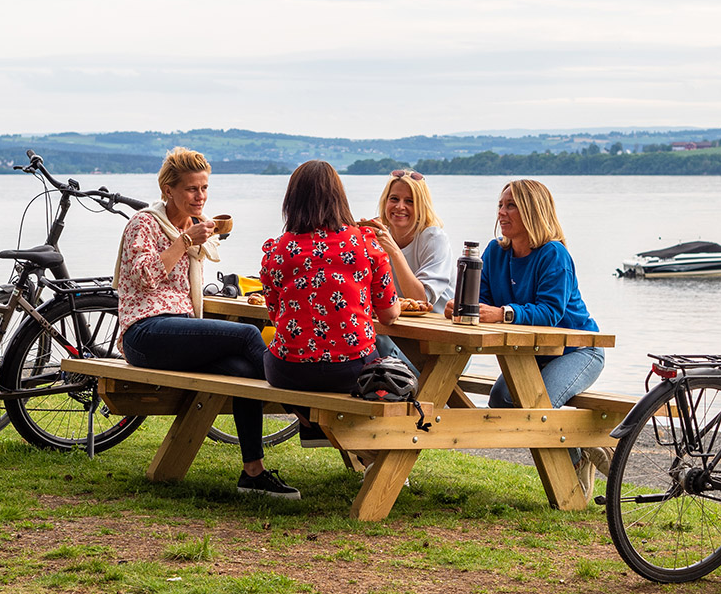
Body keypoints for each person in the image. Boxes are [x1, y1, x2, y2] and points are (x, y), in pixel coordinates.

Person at [116, 147, 299, 499]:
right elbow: (144, 276)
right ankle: (302, 406)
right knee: (247, 334)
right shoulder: (145, 223)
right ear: (168, 190)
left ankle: (253, 473)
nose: (199, 196)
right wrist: (185, 241)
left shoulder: (189, 227)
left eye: (204, 189)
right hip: (145, 333)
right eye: (191, 189)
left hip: (178, 330)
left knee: (243, 371)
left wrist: (192, 236)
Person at [444, 178, 609, 499]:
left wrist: (503, 313)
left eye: (511, 206)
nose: (502, 213)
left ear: (532, 210)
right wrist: (462, 308)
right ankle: (583, 447)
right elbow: (484, 305)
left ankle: (575, 462)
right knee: (501, 399)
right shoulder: (494, 252)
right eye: (501, 205)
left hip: (579, 350)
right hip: (532, 354)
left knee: (537, 405)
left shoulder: (554, 255)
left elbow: (550, 312)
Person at [260, 160, 400, 447]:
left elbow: (277, 316)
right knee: (388, 365)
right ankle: (356, 445)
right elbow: (389, 314)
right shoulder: (365, 243)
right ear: (339, 197)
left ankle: (311, 424)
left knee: (264, 357)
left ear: (291, 200)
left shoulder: (277, 249)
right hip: (351, 369)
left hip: (288, 371)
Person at [360, 169, 453, 367]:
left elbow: (420, 300)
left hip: (442, 345)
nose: (400, 207)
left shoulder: (433, 238)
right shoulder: (375, 235)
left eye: (409, 201)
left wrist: (393, 251)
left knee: (377, 341)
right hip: (400, 336)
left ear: (421, 206)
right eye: (394, 199)